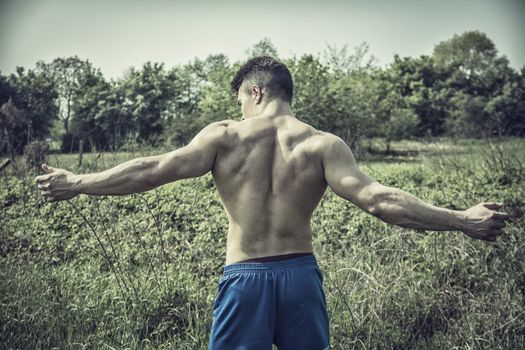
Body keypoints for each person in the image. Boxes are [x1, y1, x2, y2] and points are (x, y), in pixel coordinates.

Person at [36, 56, 510, 350]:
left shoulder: (223, 137)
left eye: (241, 97)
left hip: (245, 280)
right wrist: (461, 220)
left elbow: (152, 169)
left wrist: (78, 181)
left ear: (255, 91)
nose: (239, 107)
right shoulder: (323, 144)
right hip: (301, 278)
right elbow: (379, 200)